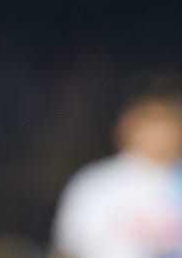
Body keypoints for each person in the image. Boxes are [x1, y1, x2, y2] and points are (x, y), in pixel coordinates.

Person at [51, 89, 182, 258]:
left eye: (167, 121)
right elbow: (68, 248)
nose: (160, 131)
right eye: (151, 121)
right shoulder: (97, 183)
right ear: (127, 125)